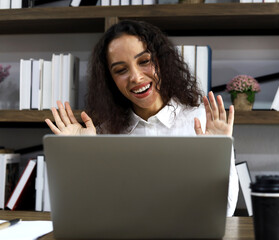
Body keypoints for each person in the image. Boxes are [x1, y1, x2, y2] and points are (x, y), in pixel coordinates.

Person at [45, 19, 239, 216]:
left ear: (162, 60)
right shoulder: (102, 134)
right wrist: (81, 154)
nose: (136, 77)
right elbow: (88, 212)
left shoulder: (203, 122)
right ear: (110, 81)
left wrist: (217, 155)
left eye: (144, 61)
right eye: (121, 70)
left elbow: (226, 211)